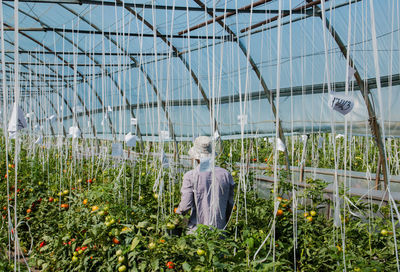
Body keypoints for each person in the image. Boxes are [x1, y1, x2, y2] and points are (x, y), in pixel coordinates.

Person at [175, 136, 235, 234]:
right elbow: (230, 204)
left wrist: (176, 217)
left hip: (197, 232)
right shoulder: (225, 174)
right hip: (219, 231)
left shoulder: (191, 176)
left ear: (195, 157)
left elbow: (186, 205)